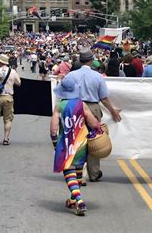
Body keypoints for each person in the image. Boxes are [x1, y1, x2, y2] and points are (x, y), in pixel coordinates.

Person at [66, 49, 121, 182]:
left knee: (77, 139)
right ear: (91, 60)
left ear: (80, 60)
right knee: (94, 139)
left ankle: (79, 173)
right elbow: (104, 98)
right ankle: (94, 172)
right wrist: (112, 110)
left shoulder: (71, 75)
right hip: (92, 108)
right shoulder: (97, 76)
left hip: (75, 107)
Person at [50, 76, 101, 216]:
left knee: (68, 171)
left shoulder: (59, 106)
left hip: (66, 143)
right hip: (82, 142)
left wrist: (55, 143)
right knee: (78, 170)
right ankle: (73, 199)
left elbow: (54, 129)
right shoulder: (82, 104)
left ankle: (79, 200)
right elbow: (93, 123)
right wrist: (99, 129)